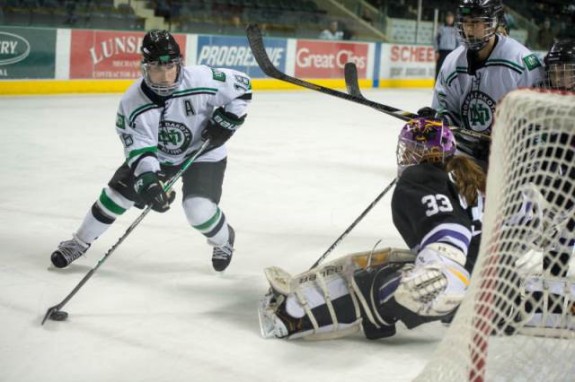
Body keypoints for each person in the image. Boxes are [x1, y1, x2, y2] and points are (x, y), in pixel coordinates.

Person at [258, 119, 488, 339]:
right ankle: (303, 298)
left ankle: (291, 316)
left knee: (372, 280)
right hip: (489, 286)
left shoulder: (421, 177)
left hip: (466, 284)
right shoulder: (462, 176)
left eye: (412, 149)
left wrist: (444, 269)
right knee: (379, 261)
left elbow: (449, 235)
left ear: (426, 154)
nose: (406, 155)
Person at [50, 30, 252, 272]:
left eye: (171, 67)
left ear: (180, 63)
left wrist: (229, 119)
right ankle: (78, 242)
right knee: (115, 197)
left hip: (203, 153)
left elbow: (243, 88)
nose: (166, 77)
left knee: (198, 211)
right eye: (157, 68)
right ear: (144, 67)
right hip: (159, 157)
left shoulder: (203, 79)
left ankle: (224, 240)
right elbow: (139, 148)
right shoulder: (132, 102)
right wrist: (149, 181)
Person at [419, 0, 545, 167]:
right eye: (465, 22)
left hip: (511, 163)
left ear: (492, 23)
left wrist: (503, 146)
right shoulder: (452, 63)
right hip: (465, 160)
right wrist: (439, 119)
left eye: (476, 22)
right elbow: (447, 109)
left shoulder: (522, 62)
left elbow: (539, 122)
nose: (469, 29)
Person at [434, 11, 459, 81]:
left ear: (453, 19)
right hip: (442, 52)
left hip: (452, 52)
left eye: (451, 18)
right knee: (439, 69)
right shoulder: (441, 28)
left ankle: (449, 87)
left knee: (451, 70)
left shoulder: (456, 29)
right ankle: (437, 85)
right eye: (448, 17)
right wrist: (436, 51)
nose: (449, 19)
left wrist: (457, 53)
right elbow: (436, 39)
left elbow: (458, 42)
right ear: (446, 18)